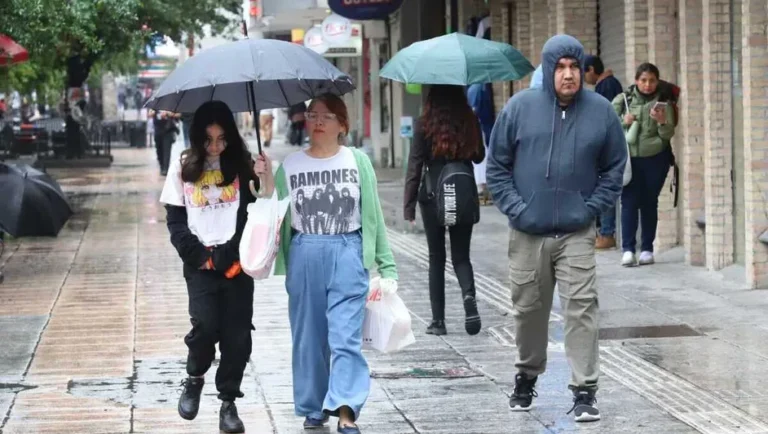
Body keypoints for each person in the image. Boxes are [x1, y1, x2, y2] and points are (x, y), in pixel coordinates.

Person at [486, 34, 626, 422]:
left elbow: (615, 169)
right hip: (527, 232)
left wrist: (590, 208)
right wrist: (518, 209)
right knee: (529, 310)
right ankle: (526, 376)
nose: (568, 75)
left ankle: (585, 389)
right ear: (549, 70)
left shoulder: (601, 112)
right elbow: (496, 168)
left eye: (574, 67)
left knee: (582, 309)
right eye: (560, 67)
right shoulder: (519, 108)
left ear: (582, 69)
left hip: (576, 233)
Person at [271, 94, 398, 434]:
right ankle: (314, 406)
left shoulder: (357, 161)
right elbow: (273, 214)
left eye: (327, 116)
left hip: (347, 249)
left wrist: (387, 266)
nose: (318, 121)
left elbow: (373, 217)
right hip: (304, 252)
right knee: (309, 338)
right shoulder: (290, 166)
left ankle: (346, 411)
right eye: (312, 114)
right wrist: (262, 182)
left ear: (343, 125)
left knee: (345, 338)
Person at [160, 100, 272, 434]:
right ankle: (195, 376)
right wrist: (201, 256)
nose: (215, 146)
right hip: (200, 264)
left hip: (238, 263)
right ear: (197, 138)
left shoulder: (243, 162)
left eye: (222, 138)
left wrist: (264, 176)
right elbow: (175, 218)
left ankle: (228, 403)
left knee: (237, 337)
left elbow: (261, 208)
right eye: (208, 140)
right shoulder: (182, 163)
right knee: (206, 326)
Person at [403, 84, 484, 337]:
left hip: (432, 196)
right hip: (462, 193)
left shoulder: (423, 124)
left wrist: (409, 205)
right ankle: (468, 296)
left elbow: (415, 165)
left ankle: (438, 321)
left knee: (436, 258)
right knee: (462, 256)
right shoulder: (469, 119)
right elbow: (480, 156)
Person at [612, 63, 677, 267]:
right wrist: (625, 120)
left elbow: (668, 135)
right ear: (636, 80)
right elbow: (607, 125)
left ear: (657, 81)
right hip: (629, 160)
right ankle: (628, 250)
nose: (647, 85)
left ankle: (647, 249)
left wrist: (662, 121)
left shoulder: (664, 103)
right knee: (629, 202)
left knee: (649, 202)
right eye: (643, 80)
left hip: (656, 158)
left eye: (652, 80)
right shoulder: (623, 100)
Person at [584, 55, 624, 249]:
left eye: (584, 72)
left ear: (591, 69)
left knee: (605, 189)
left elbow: (605, 118)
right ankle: (604, 232)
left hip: (607, 147)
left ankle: (607, 234)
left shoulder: (606, 86)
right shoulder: (607, 84)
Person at [466, 82, 494, 205]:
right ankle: (482, 188)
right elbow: (474, 110)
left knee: (482, 159)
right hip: (481, 128)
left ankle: (482, 189)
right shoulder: (478, 88)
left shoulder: (478, 87)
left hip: (482, 127)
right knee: (482, 158)